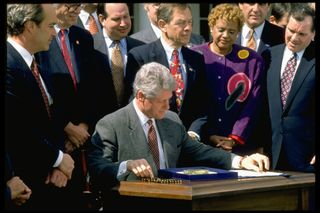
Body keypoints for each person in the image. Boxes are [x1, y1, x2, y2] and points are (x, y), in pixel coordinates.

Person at [87, 62, 269, 195]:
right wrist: (126, 166)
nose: (168, 106)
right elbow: (97, 169)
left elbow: (201, 152)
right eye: (162, 101)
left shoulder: (171, 120)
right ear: (141, 96)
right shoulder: (111, 124)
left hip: (174, 200)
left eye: (169, 99)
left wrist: (240, 161)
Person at [6, 4, 74, 209]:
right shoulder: (9, 65)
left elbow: (50, 117)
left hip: (47, 182)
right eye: (51, 25)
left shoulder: (36, 63)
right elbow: (15, 127)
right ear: (29, 26)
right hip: (22, 187)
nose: (55, 33)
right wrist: (57, 158)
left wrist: (58, 165)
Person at [35, 3, 98, 210]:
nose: (77, 9)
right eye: (71, 4)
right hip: (54, 138)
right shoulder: (41, 38)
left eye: (79, 5)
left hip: (82, 139)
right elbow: (42, 92)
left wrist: (84, 126)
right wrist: (67, 128)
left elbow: (92, 88)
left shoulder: (84, 37)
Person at [191, 3, 265, 155]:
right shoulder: (195, 56)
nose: (226, 35)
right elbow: (192, 102)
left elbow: (254, 102)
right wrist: (208, 133)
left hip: (240, 145)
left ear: (238, 33)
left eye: (232, 31)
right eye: (221, 29)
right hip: (201, 142)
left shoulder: (252, 61)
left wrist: (234, 137)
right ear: (211, 27)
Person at [126, 3, 209, 131]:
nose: (188, 28)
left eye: (190, 22)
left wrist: (194, 133)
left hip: (191, 140)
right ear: (162, 25)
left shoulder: (196, 59)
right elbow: (137, 104)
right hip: (156, 137)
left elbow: (202, 103)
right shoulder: (140, 56)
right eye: (181, 23)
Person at [262, 4, 315, 172]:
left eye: (301, 34)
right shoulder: (268, 56)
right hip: (269, 156)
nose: (294, 38)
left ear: (313, 34)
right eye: (291, 30)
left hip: (306, 157)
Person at [92, 3, 145, 116]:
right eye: (116, 19)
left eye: (126, 17)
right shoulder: (89, 46)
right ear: (102, 19)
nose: (123, 23)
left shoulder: (141, 48)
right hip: (96, 123)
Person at [130, 3, 206, 48]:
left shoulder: (197, 41)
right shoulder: (135, 42)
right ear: (146, 7)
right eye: (157, 4)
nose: (162, 7)